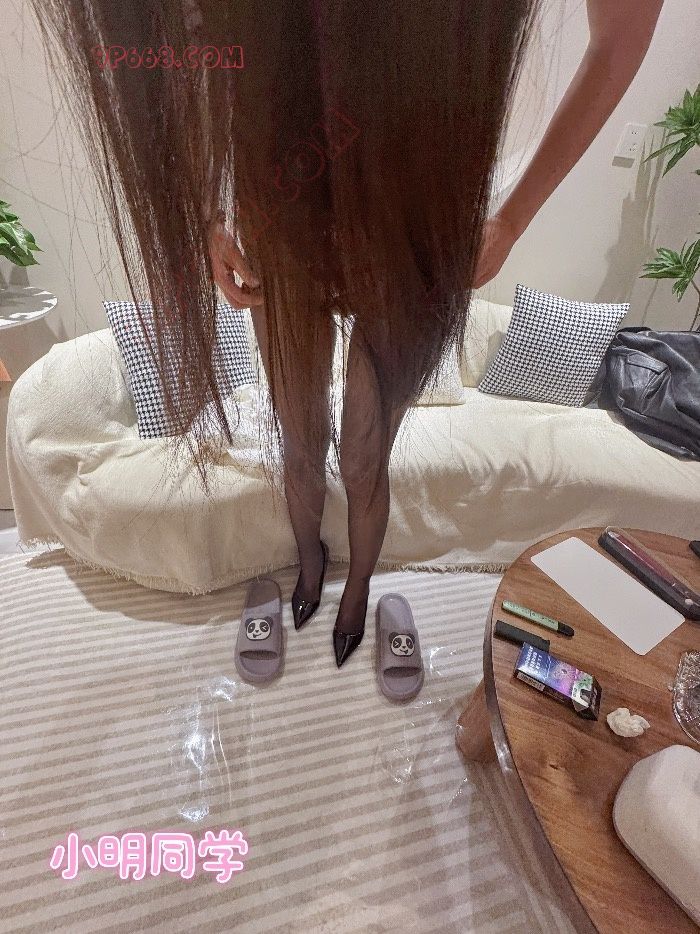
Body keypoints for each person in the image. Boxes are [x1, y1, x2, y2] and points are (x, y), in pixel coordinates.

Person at [32, 0, 663, 667]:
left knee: (365, 455)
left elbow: (617, 39)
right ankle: (311, 565)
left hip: (411, 222)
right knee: (298, 439)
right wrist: (209, 215)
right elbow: (202, 50)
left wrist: (510, 220)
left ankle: (357, 588)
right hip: (281, 210)